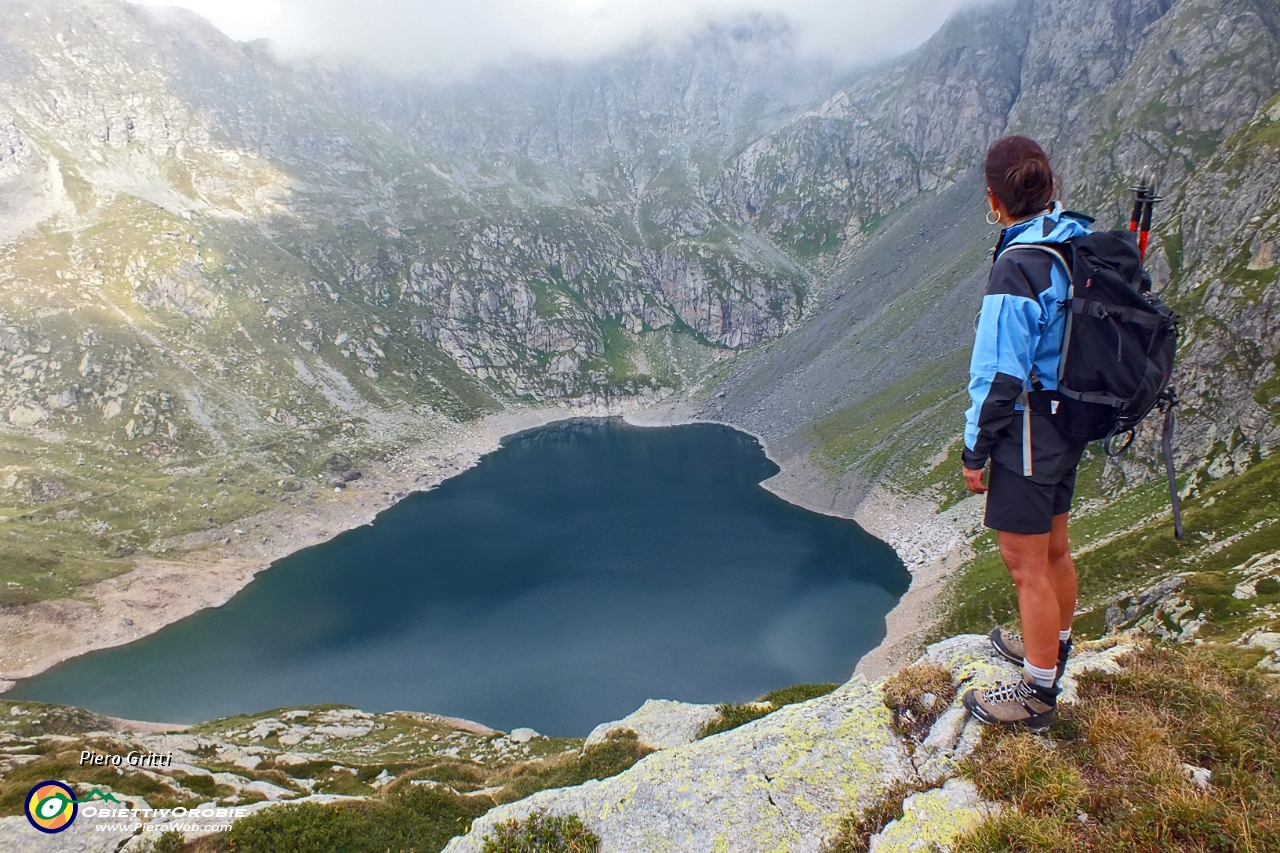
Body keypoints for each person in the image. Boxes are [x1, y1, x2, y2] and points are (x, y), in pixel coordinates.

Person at [959, 136, 1091, 731]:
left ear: (994, 198)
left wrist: (975, 450)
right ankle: (1053, 650)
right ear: (1048, 187)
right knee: (1055, 546)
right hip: (1068, 422)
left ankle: (1037, 694)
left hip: (1030, 430)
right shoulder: (1070, 239)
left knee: (1024, 563)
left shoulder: (1018, 265)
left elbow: (999, 374)